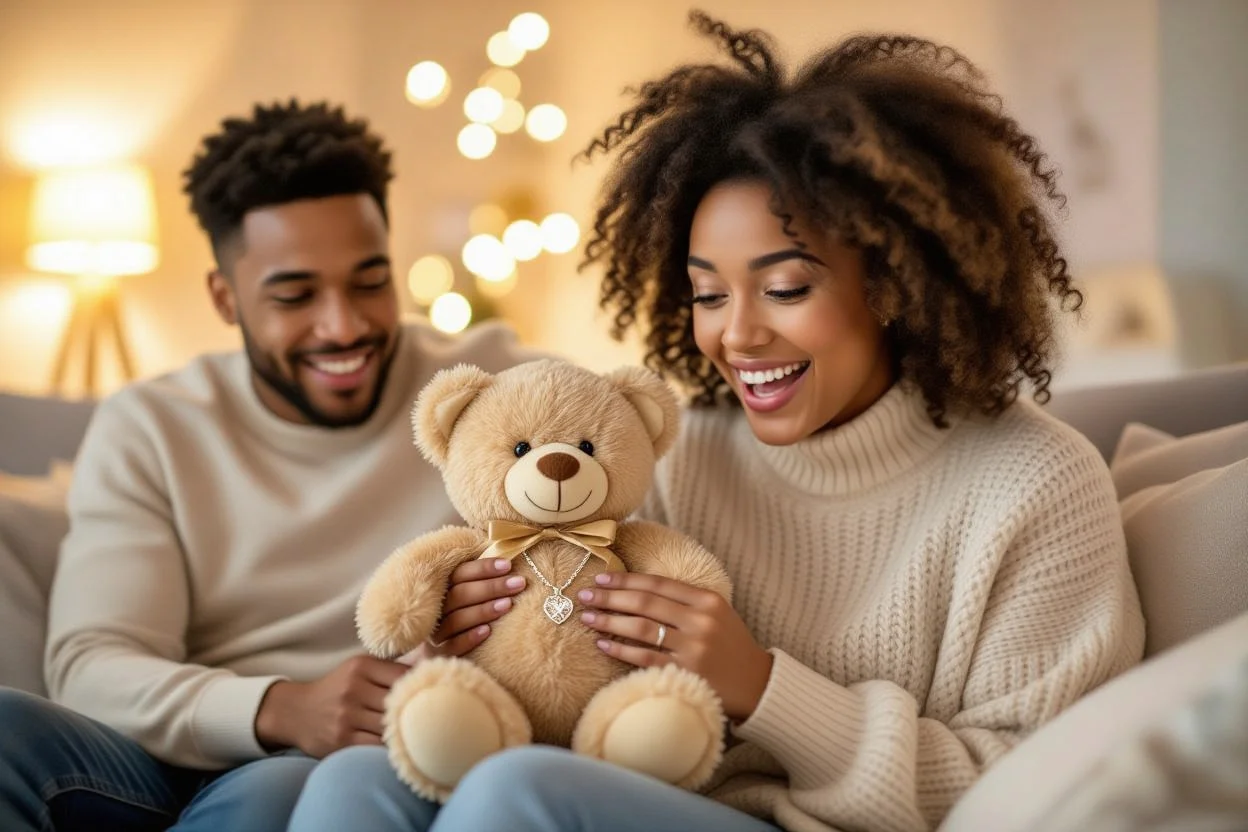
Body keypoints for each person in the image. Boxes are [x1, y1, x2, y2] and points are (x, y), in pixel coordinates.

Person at [284, 11, 1146, 832]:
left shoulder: (1037, 484)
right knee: (357, 777)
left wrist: (763, 686)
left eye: (785, 288)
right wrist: (471, 640)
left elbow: (1044, 787)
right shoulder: (680, 453)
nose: (736, 334)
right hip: (651, 796)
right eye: (707, 293)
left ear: (891, 281)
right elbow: (575, 683)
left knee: (521, 793)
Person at [0, 100, 539, 831]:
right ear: (226, 299)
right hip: (163, 759)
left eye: (370, 282)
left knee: (282, 791)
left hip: (340, 771)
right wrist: (282, 706)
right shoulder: (153, 424)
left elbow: (638, 435)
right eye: (295, 295)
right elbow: (93, 664)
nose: (343, 325)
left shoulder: (490, 390)